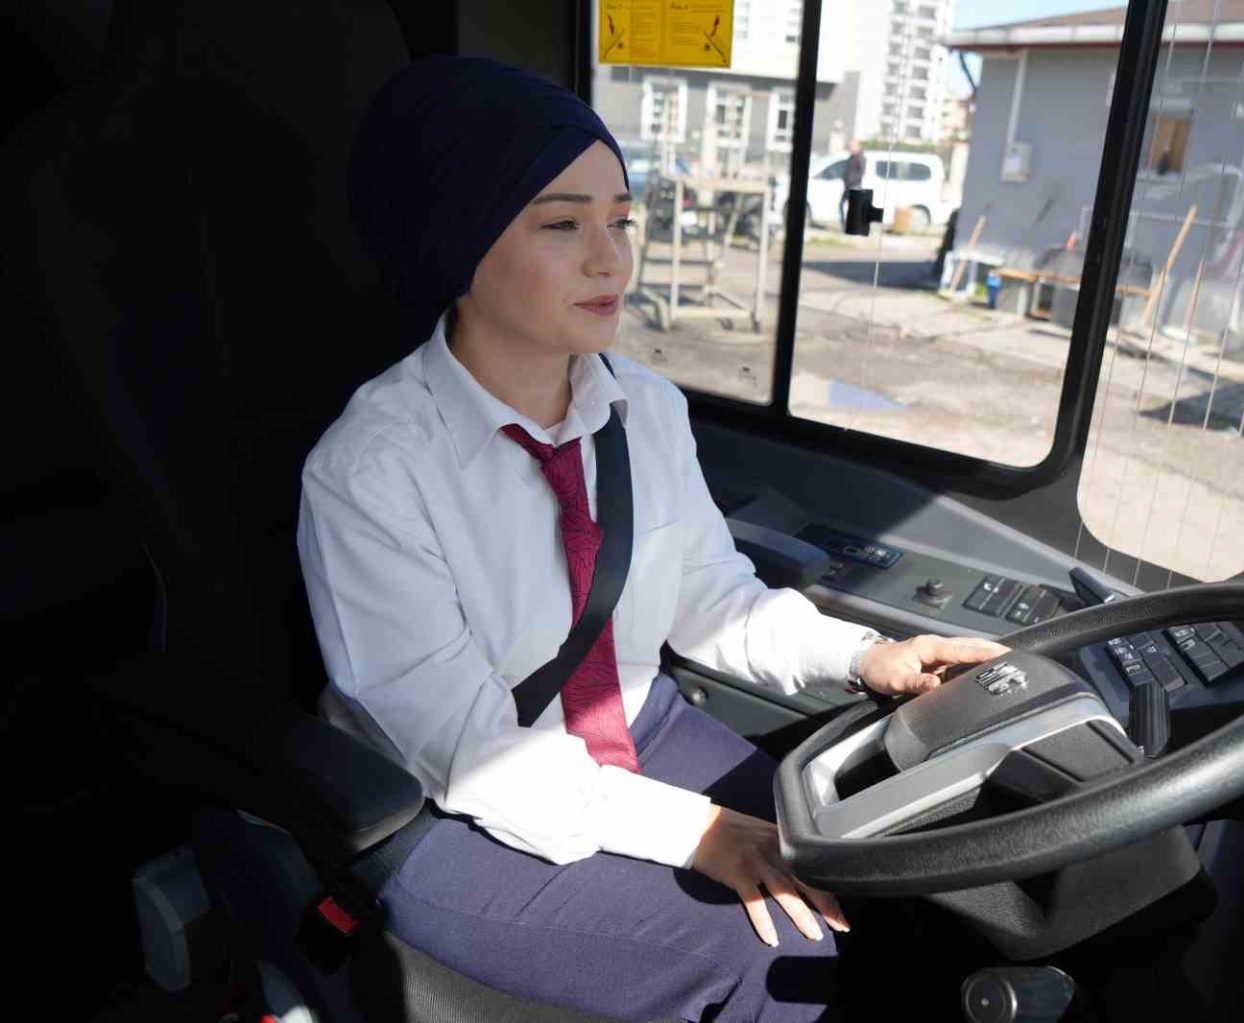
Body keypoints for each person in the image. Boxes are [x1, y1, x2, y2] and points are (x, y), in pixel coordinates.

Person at [299, 57, 1008, 1023]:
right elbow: (462, 745)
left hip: (638, 725)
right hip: (440, 801)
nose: (611, 259)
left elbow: (713, 598)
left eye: (622, 220)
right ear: (457, 241)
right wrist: (700, 830)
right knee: (772, 958)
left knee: (871, 859)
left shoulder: (645, 408)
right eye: (562, 225)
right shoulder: (371, 469)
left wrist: (866, 656)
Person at [839, 138, 866, 228]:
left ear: (857, 146)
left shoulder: (860, 157)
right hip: (847, 186)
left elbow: (861, 172)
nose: (849, 148)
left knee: (853, 208)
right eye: (849, 146)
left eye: (851, 146)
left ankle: (852, 226)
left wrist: (851, 179)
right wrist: (844, 177)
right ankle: (845, 225)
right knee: (842, 205)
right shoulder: (851, 157)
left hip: (855, 186)